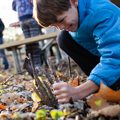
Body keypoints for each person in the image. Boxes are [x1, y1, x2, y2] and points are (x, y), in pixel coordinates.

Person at [33, 0, 120, 103]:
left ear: (74, 1)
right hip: (106, 58)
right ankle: (103, 84)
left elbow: (115, 56)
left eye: (61, 20)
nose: (61, 27)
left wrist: (80, 91)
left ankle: (102, 85)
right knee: (63, 38)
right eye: (55, 25)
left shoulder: (103, 12)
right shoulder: (74, 17)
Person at [12, 0, 43, 69]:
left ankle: (32, 65)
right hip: (31, 18)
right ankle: (36, 65)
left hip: (22, 20)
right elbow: (36, 3)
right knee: (34, 43)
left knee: (29, 44)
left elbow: (14, 7)